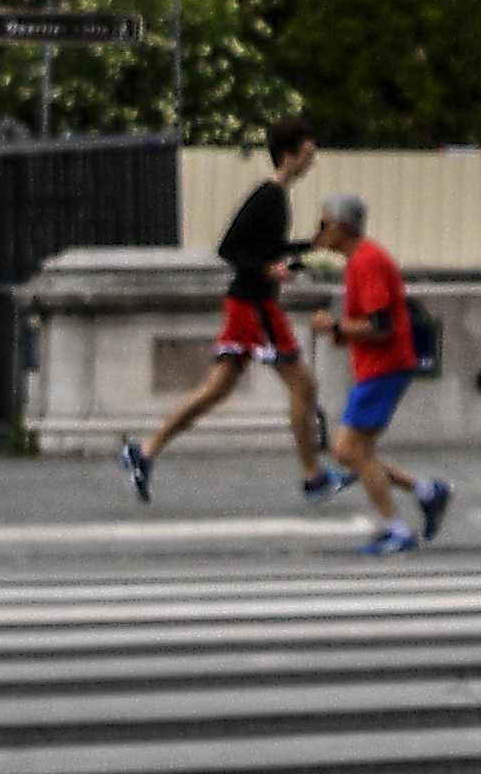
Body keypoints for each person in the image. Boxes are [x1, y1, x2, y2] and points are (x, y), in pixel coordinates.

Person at [127, 126, 330, 498]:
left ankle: (146, 450)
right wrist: (267, 270)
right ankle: (313, 476)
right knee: (303, 385)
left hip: (251, 302)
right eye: (307, 153)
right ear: (288, 155)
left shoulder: (276, 196)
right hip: (254, 305)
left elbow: (266, 247)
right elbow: (229, 248)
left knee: (216, 391)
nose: (310, 161)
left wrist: (308, 246)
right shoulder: (268, 196)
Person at [307, 190, 452, 555]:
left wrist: (335, 328)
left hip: (383, 367)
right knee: (355, 451)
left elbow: (381, 325)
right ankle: (426, 491)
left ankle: (398, 529)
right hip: (382, 366)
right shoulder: (363, 259)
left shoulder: (366, 262)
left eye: (323, 224)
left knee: (349, 450)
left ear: (341, 226)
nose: (319, 233)